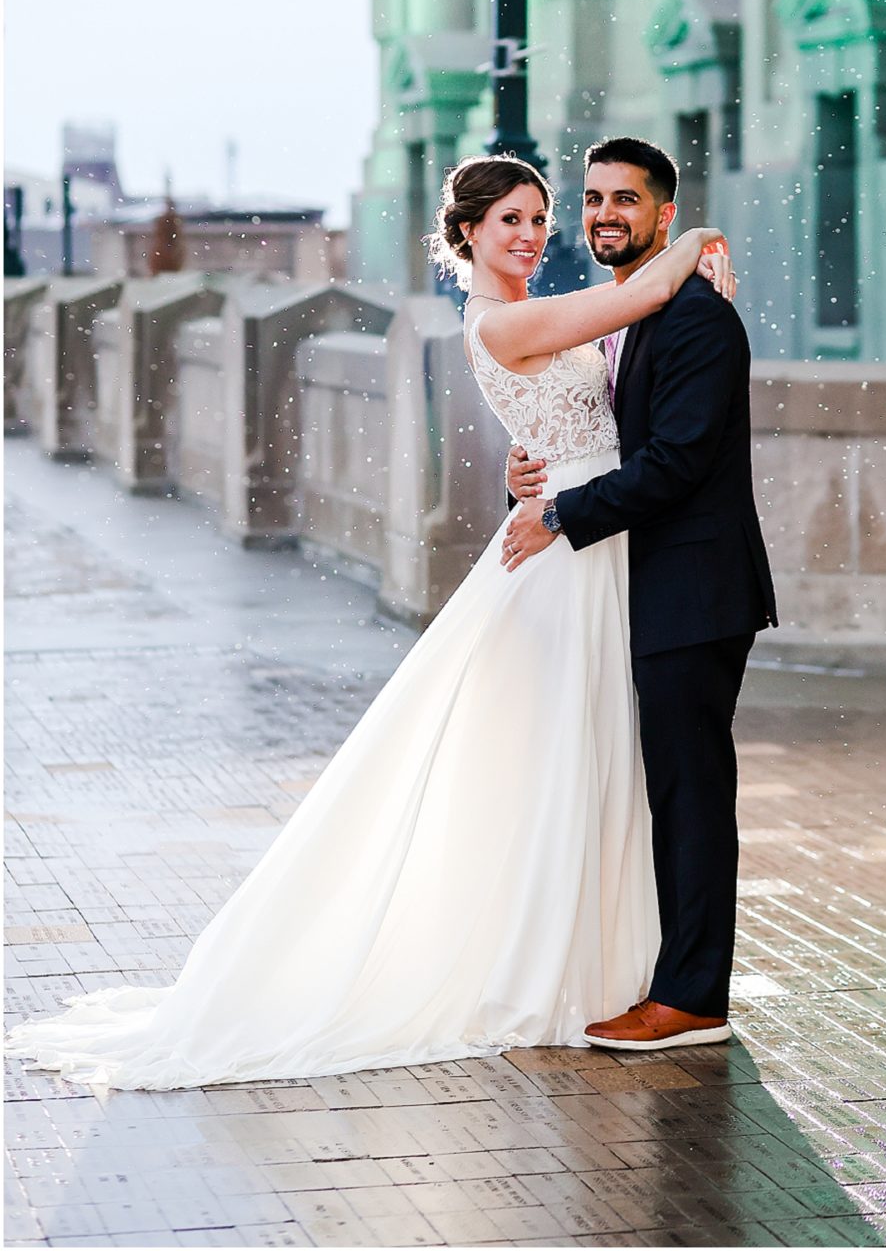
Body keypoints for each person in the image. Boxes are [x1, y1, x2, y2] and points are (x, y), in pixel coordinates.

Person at [4, 153, 735, 1090]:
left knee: (586, 758)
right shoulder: (510, 317)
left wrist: (540, 465)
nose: (532, 233)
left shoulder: (522, 316)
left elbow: (594, 401)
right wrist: (701, 241)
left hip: (588, 541)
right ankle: (563, 965)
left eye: (539, 218)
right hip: (568, 551)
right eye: (511, 219)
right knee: (567, 755)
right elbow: (632, 304)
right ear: (466, 234)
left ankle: (601, 962)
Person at [503, 136, 777, 1052]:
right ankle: (665, 973)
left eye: (625, 200)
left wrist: (561, 515)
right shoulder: (633, 310)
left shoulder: (699, 320)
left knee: (690, 793)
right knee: (663, 787)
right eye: (592, 199)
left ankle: (693, 997)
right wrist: (535, 476)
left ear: (661, 214)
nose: (603, 214)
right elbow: (610, 437)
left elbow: (675, 464)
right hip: (645, 581)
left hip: (694, 587)